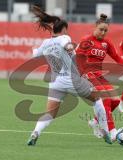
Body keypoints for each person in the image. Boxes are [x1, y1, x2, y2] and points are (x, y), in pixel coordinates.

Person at [27, 5, 112, 146]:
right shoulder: (64, 37)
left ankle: (35, 133)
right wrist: (69, 47)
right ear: (64, 29)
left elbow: (35, 54)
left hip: (55, 82)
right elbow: (66, 44)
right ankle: (106, 132)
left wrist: (39, 50)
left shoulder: (46, 43)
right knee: (97, 99)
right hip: (71, 80)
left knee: (50, 114)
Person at [76, 14, 123, 142]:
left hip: (99, 75)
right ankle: (112, 131)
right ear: (95, 27)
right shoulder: (86, 40)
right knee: (106, 99)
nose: (103, 32)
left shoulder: (107, 43)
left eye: (106, 30)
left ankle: (95, 122)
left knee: (116, 101)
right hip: (87, 76)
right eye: (101, 29)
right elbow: (78, 59)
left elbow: (117, 58)